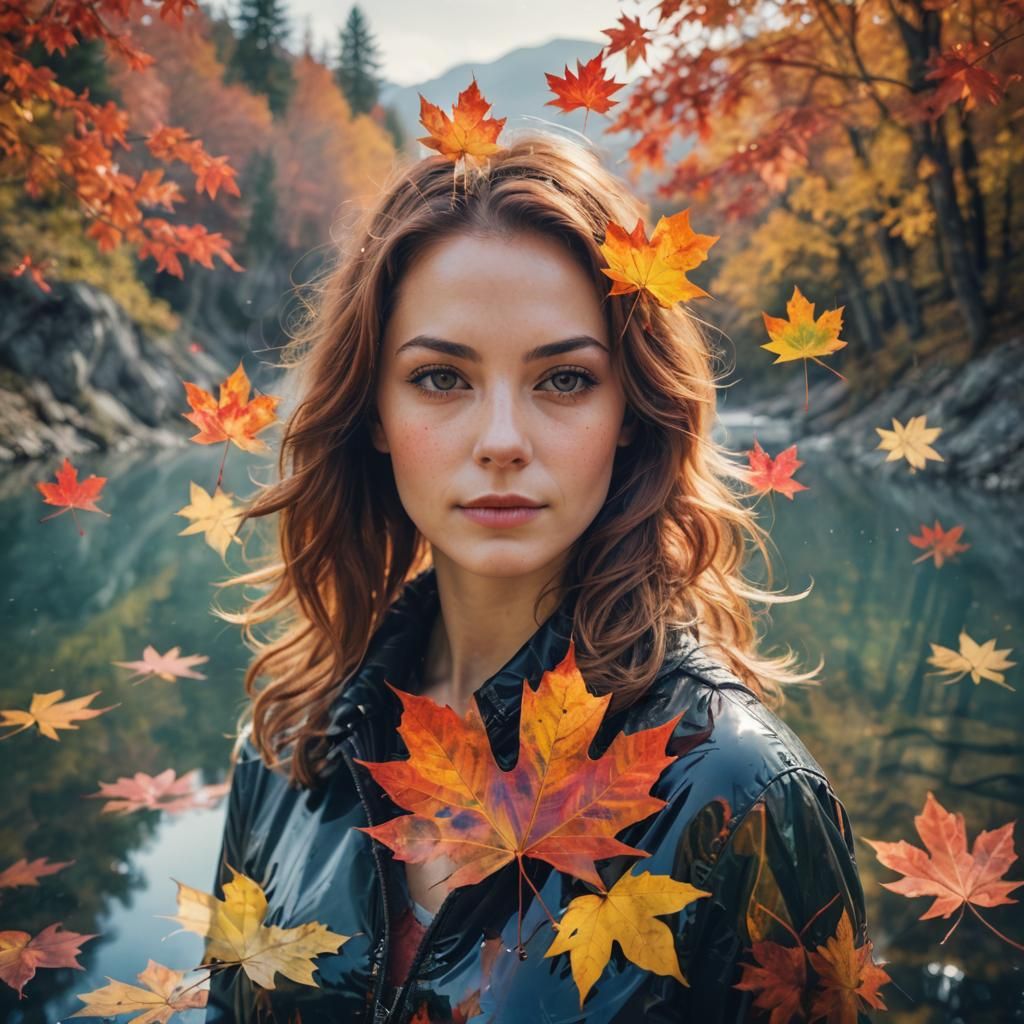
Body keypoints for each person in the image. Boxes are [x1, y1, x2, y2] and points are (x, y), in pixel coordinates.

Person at [204, 130, 881, 1023]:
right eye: (441, 378)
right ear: (372, 410)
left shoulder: (739, 793)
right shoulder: (292, 743)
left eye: (563, 379)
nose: (501, 441)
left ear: (631, 413)